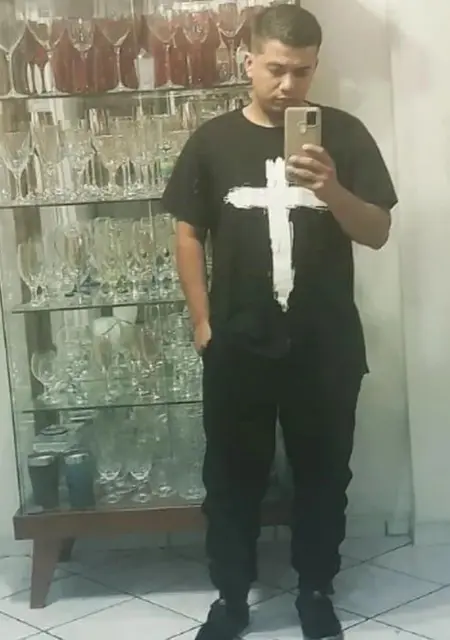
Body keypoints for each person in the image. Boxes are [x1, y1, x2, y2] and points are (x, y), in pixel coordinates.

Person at [162, 4, 397, 639]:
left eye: (303, 71)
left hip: (325, 345)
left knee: (324, 476)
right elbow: (188, 233)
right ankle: (230, 598)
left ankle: (316, 590)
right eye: (276, 69)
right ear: (248, 61)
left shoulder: (344, 135)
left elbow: (377, 230)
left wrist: (332, 189)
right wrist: (202, 321)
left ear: (316, 66)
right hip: (237, 342)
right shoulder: (212, 141)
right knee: (231, 478)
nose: (289, 84)